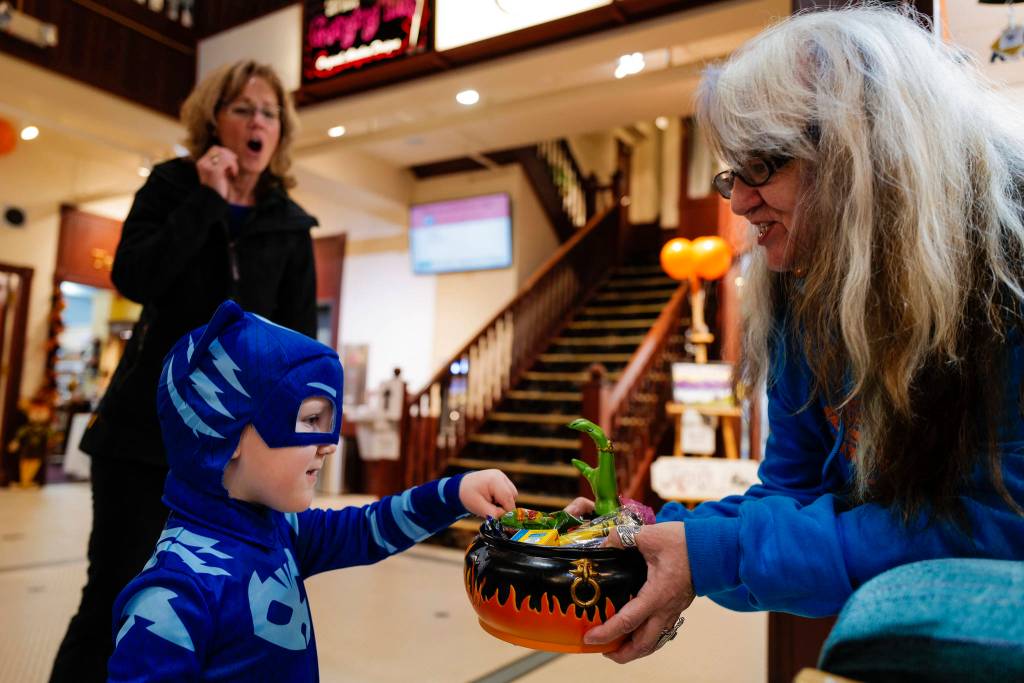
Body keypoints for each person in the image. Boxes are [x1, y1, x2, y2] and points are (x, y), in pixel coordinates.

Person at [578, 5, 1024, 663]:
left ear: (868, 150)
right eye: (734, 169)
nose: (737, 201)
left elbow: (1004, 527)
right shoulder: (800, 292)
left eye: (766, 163)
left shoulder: (1004, 273)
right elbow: (794, 494)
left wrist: (714, 551)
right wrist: (655, 538)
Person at [51, 60, 320, 682]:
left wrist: (298, 440)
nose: (258, 122)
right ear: (214, 120)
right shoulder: (173, 186)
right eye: (243, 109)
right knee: (115, 597)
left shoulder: (290, 225)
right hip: (144, 434)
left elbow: (297, 345)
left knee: (217, 608)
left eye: (269, 113)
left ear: (281, 131)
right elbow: (135, 277)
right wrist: (205, 199)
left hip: (235, 455)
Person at [106, 300, 518, 681]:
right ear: (223, 435)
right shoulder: (172, 598)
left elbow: (367, 529)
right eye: (309, 420)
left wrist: (455, 493)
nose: (329, 443)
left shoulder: (281, 529)